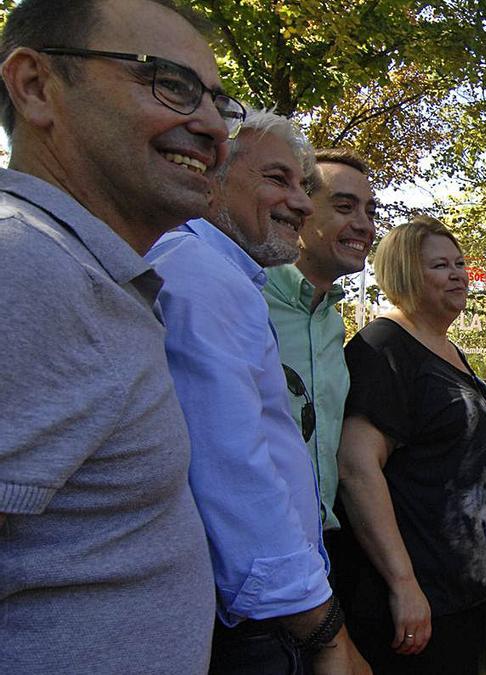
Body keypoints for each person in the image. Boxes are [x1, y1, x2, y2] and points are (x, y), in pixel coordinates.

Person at [0, 0, 236, 672]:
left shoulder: (77, 270)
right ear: (36, 86)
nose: (214, 127)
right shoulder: (24, 261)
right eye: (171, 84)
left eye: (220, 102)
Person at [146, 109, 367, 674]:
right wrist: (322, 630)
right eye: (278, 179)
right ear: (211, 174)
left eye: (303, 185)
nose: (300, 202)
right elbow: (230, 467)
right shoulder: (199, 278)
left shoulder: (225, 277)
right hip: (254, 623)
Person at [337, 216, 486, 674]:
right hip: (416, 603)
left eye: (459, 263)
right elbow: (357, 470)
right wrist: (403, 583)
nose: (458, 274)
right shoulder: (383, 349)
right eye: (440, 265)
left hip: (462, 595)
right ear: (404, 273)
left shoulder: (446, 347)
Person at [264, 147, 377, 559]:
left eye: (369, 210)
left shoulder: (332, 321)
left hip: (317, 551)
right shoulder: (246, 296)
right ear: (298, 209)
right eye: (345, 207)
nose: (363, 225)